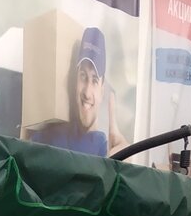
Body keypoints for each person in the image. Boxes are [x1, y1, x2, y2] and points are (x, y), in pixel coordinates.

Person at [27, 26, 127, 157]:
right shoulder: (52, 136)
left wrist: (122, 163)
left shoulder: (103, 146)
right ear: (75, 80)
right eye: (83, 76)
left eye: (94, 80)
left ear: (102, 90)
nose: (87, 92)